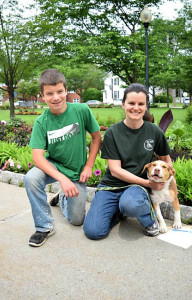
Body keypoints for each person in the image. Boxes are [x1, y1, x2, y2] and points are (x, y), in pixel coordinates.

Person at [83, 83, 173, 240]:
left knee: (132, 203)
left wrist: (168, 181)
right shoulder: (113, 133)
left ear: (146, 106)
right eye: (131, 103)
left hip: (136, 187)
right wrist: (148, 183)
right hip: (112, 185)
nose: (136, 108)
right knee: (93, 231)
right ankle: (119, 211)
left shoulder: (154, 131)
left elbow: (165, 158)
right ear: (123, 104)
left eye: (141, 104)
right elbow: (115, 170)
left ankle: (150, 221)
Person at [25, 69, 101, 247]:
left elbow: (97, 138)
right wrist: (62, 179)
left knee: (77, 220)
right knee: (31, 178)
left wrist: (89, 166)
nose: (56, 97)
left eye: (59, 91)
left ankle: (61, 199)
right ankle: (44, 226)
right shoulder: (41, 122)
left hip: (76, 170)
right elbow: (38, 158)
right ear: (42, 96)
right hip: (55, 167)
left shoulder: (81, 110)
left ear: (66, 90)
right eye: (49, 93)